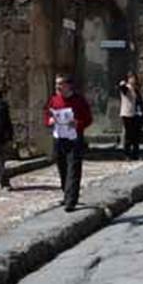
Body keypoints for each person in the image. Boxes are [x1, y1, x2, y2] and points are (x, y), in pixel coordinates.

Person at [45, 74, 93, 211]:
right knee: (62, 167)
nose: (57, 87)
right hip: (59, 139)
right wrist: (49, 121)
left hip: (74, 139)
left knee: (73, 168)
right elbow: (47, 114)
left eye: (60, 84)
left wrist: (78, 123)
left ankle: (71, 201)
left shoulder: (79, 100)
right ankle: (67, 194)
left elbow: (88, 119)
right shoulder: (54, 100)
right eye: (56, 84)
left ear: (68, 85)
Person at [118, 72, 143, 160]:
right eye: (131, 78)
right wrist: (122, 84)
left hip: (136, 113)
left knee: (136, 136)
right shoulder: (127, 88)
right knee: (128, 135)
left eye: (134, 78)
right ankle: (127, 154)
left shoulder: (136, 89)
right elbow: (122, 88)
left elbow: (139, 101)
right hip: (127, 113)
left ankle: (135, 154)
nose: (133, 80)